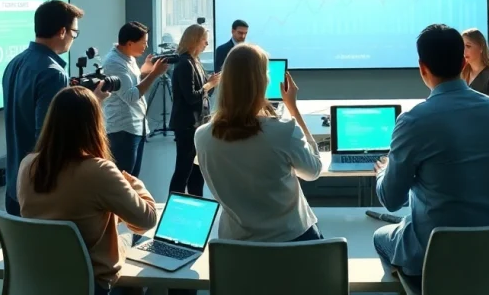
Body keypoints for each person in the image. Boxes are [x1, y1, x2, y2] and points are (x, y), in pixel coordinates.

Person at [373, 24, 489, 293]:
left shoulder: (414, 120)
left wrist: (384, 171)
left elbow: (391, 200)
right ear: (463, 63)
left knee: (381, 237)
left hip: (438, 253)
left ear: (422, 67)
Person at [18, 86, 157, 295]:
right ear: (94, 124)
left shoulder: (28, 165)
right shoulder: (99, 170)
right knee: (139, 239)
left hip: (42, 280)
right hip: (90, 284)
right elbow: (147, 219)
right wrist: (131, 182)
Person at [195, 44, 323, 242]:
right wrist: (294, 110)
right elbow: (313, 171)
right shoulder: (284, 130)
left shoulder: (202, 136)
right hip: (293, 241)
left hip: (236, 245)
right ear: (262, 82)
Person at [3, 0, 109, 217]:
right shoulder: (52, 73)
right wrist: (93, 103)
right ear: (62, 31)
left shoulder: (14, 63)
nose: (73, 38)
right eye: (74, 33)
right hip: (41, 187)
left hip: (15, 182)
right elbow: (52, 135)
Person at [102, 21, 169, 177]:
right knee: (124, 179)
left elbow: (130, 84)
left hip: (136, 126)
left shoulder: (128, 56)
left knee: (133, 178)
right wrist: (154, 74)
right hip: (123, 129)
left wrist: (143, 71)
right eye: (144, 43)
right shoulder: (114, 63)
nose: (146, 47)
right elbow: (130, 96)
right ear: (130, 43)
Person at [169, 23, 220, 196]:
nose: (206, 44)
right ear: (195, 40)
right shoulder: (184, 64)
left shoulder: (195, 62)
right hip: (187, 125)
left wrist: (212, 83)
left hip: (199, 124)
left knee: (197, 172)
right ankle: (174, 208)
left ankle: (196, 204)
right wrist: (209, 84)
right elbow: (192, 97)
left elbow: (205, 93)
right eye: (204, 40)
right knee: (183, 169)